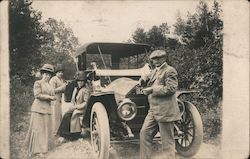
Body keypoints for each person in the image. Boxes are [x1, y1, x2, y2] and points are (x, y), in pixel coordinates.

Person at [139, 50, 181, 159]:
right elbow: (151, 78)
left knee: (167, 142)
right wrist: (143, 80)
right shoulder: (155, 71)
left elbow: (171, 89)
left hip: (165, 111)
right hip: (153, 111)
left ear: (164, 58)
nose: (156, 61)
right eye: (154, 59)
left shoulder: (170, 70)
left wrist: (152, 90)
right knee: (144, 134)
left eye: (158, 59)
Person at [26, 64, 56, 157]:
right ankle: (37, 150)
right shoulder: (38, 83)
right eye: (45, 74)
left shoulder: (50, 86)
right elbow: (37, 95)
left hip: (47, 109)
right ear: (42, 74)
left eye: (49, 75)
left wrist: (53, 97)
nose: (47, 76)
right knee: (38, 129)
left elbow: (53, 94)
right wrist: (50, 97)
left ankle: (44, 147)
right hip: (38, 108)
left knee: (45, 129)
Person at [57, 71, 90, 142]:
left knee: (72, 115)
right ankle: (64, 135)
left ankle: (76, 135)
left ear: (84, 82)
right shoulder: (75, 89)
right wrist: (72, 106)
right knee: (67, 114)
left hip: (83, 109)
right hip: (76, 107)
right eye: (78, 81)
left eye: (82, 81)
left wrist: (76, 107)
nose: (80, 83)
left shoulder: (85, 90)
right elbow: (73, 100)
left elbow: (86, 103)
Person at [49, 64, 67, 135]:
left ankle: (59, 130)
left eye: (62, 72)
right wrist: (62, 88)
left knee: (59, 115)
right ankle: (54, 132)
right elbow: (52, 90)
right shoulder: (53, 79)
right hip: (54, 99)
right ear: (56, 72)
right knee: (55, 115)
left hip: (60, 99)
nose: (61, 73)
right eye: (59, 72)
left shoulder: (62, 80)